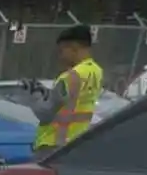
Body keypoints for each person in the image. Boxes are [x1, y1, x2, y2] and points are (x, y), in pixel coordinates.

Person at [26, 24, 104, 157]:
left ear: (73, 48)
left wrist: (33, 96)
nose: (60, 56)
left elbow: (46, 113)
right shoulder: (96, 71)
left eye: (62, 51)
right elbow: (71, 101)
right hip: (77, 141)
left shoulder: (70, 76)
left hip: (53, 144)